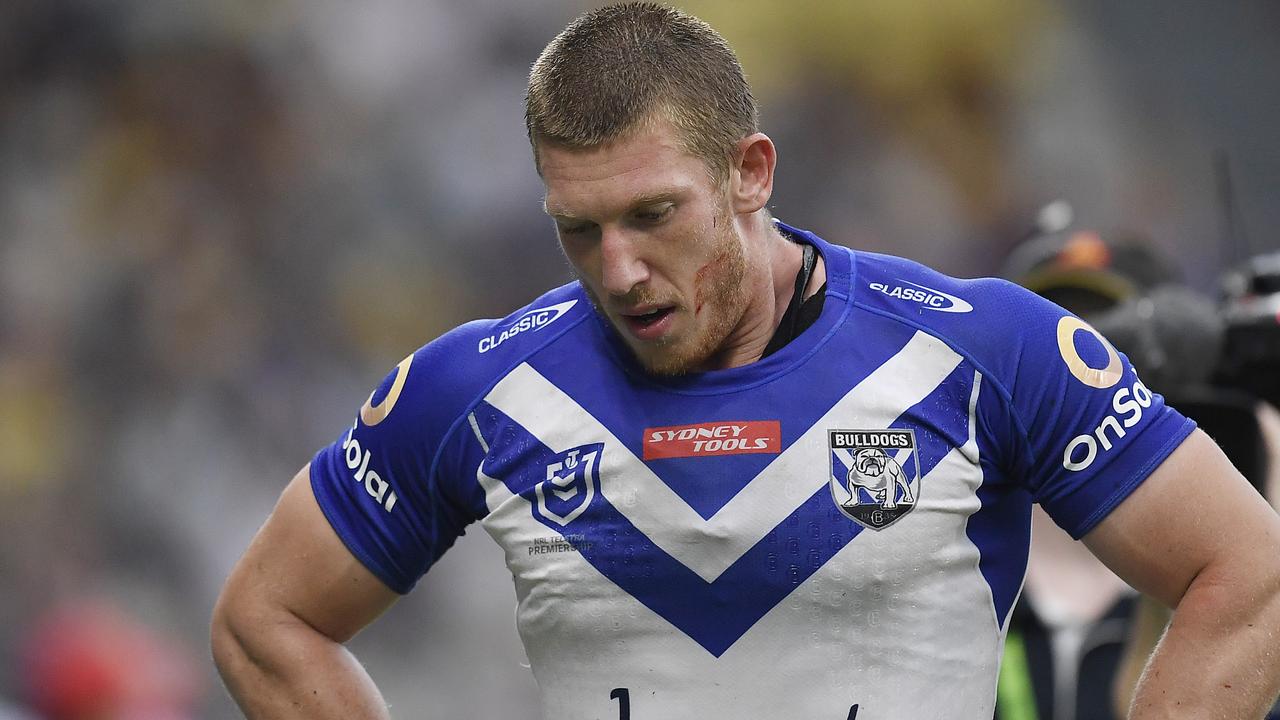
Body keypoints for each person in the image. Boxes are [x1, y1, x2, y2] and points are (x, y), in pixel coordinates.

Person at [210, 4, 1280, 718]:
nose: (620, 271)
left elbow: (1251, 574)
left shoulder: (982, 346)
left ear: (750, 173)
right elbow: (266, 622)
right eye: (576, 229)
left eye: (651, 214)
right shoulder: (478, 389)